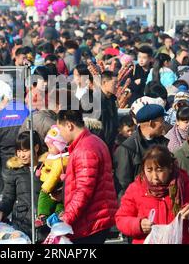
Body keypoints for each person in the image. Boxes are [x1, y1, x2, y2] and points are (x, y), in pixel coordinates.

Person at [115, 145, 189, 244]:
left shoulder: (185, 186)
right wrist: (138, 225)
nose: (154, 176)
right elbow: (121, 219)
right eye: (149, 170)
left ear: (170, 168)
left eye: (159, 170)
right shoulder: (135, 189)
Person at [57, 109, 118, 244]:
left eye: (60, 129)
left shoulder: (85, 149)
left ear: (69, 125)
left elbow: (83, 191)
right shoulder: (94, 141)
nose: (60, 135)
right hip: (97, 215)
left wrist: (67, 218)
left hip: (92, 220)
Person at [0, 132, 43, 238]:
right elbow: (8, 197)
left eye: (25, 150)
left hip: (43, 225)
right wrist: (1, 210)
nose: (21, 155)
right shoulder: (15, 171)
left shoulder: (47, 169)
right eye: (19, 151)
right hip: (22, 224)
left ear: (36, 148)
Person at [114, 100, 168, 196]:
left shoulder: (164, 143)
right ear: (151, 123)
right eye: (162, 121)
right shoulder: (127, 148)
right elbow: (123, 186)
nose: (164, 124)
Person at [35, 125, 69, 228]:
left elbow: (54, 174)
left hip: (52, 184)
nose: (48, 149)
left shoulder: (60, 160)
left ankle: (42, 215)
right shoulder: (53, 157)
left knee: (43, 197)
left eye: (50, 147)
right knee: (56, 202)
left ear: (59, 146)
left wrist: (46, 187)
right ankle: (60, 213)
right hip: (54, 183)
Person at [99, 71, 119, 152]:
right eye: (114, 83)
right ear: (104, 82)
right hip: (100, 145)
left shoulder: (113, 99)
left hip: (112, 144)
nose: (117, 86)